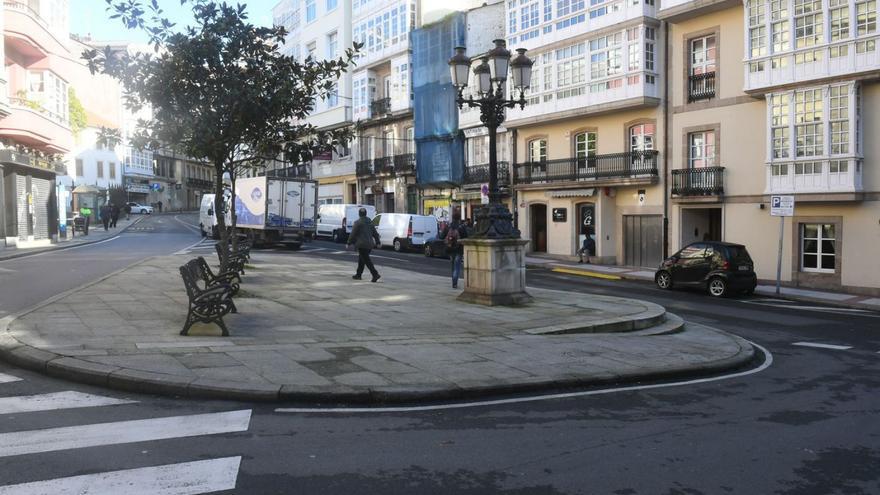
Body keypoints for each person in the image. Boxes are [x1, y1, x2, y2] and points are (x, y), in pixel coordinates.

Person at [346, 207, 381, 283]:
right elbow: (375, 233)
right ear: (366, 214)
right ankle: (358, 274)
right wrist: (378, 242)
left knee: (367, 260)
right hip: (370, 244)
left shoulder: (357, 222)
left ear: (359, 214)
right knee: (362, 259)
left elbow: (353, 234)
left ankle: (375, 274)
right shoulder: (370, 222)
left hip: (361, 244)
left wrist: (349, 242)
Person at [441, 208, 468, 289]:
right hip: (459, 249)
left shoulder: (448, 226)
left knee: (453, 266)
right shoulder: (461, 227)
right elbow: (466, 237)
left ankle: (453, 281)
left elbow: (442, 236)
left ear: (452, 217)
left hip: (450, 249)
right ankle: (455, 283)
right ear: (459, 218)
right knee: (457, 267)